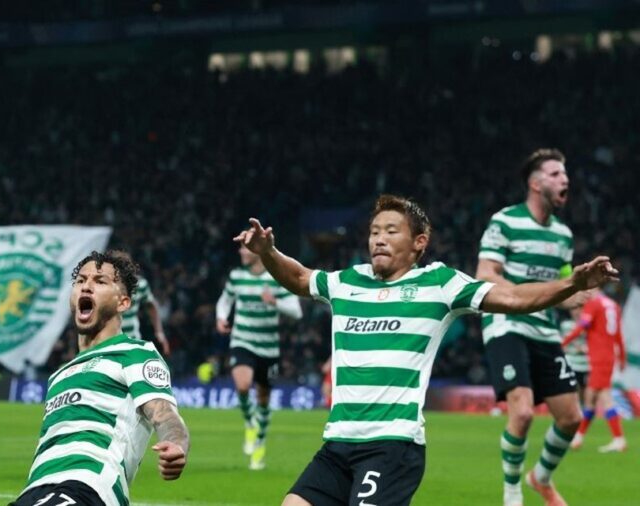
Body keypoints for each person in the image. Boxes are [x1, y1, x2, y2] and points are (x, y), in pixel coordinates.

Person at [233, 194, 617, 506]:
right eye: (373, 231)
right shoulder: (348, 282)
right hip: (338, 444)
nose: (378, 239)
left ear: (419, 242)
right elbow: (300, 278)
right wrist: (268, 252)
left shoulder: (440, 284)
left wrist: (571, 284)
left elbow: (513, 297)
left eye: (391, 231)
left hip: (391, 447)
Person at [10, 251, 189, 506]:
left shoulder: (135, 353)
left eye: (100, 281)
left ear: (123, 303)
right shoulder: (60, 375)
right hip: (35, 490)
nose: (87, 286)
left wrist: (175, 444)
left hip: (90, 487)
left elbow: (166, 415)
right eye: (81, 280)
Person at [475, 149, 583, 506]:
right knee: (521, 412)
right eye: (555, 174)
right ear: (536, 184)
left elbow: (564, 291)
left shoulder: (563, 236)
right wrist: (524, 297)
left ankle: (541, 477)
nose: (564, 179)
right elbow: (486, 275)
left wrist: (582, 287)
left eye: (564, 174)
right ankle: (512, 494)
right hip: (506, 323)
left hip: (545, 329)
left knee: (570, 418)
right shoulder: (505, 221)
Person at [216, 245, 303, 470]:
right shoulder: (237, 276)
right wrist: (221, 317)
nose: (241, 253)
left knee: (263, 399)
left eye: (245, 249)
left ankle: (260, 444)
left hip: (268, 348)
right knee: (243, 385)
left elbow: (296, 311)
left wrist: (275, 302)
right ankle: (249, 422)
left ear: (257, 251)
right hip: (242, 341)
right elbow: (225, 300)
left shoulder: (275, 278)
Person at [562, 288, 628, 452]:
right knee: (591, 398)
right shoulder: (613, 305)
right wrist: (622, 357)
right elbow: (618, 334)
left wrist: (564, 342)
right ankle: (578, 438)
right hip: (608, 355)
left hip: (599, 357)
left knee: (604, 397)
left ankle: (618, 439)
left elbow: (581, 327)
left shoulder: (594, 304)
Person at [121, 275, 171, 356]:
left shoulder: (140, 284)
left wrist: (159, 332)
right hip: (108, 340)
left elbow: (150, 305)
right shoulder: (105, 283)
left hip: (132, 340)